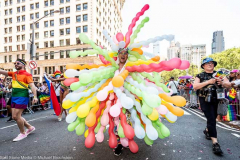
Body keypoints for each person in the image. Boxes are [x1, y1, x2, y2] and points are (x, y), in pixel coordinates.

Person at [193, 57, 229, 155]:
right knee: (212, 119)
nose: (210, 64)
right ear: (203, 66)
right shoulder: (200, 75)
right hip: (205, 100)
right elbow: (195, 87)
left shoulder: (220, 74)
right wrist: (208, 82)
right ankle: (215, 143)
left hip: (218, 99)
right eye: (207, 63)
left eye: (212, 63)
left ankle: (207, 130)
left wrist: (222, 83)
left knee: (212, 118)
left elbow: (228, 84)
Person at [0, 59, 38, 142]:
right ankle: (29, 127)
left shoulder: (27, 74)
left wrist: (35, 96)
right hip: (14, 96)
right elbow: (2, 72)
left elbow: (32, 86)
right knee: (15, 117)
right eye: (15, 63)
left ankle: (22, 133)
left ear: (23, 65)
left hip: (22, 96)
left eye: (18, 63)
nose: (16, 64)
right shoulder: (14, 74)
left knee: (16, 116)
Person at [114, 48, 129, 156]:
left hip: (128, 98)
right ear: (118, 55)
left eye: (125, 53)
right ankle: (119, 143)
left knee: (127, 120)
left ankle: (126, 139)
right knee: (116, 120)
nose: (123, 55)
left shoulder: (130, 67)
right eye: (121, 53)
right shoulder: (114, 68)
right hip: (115, 98)